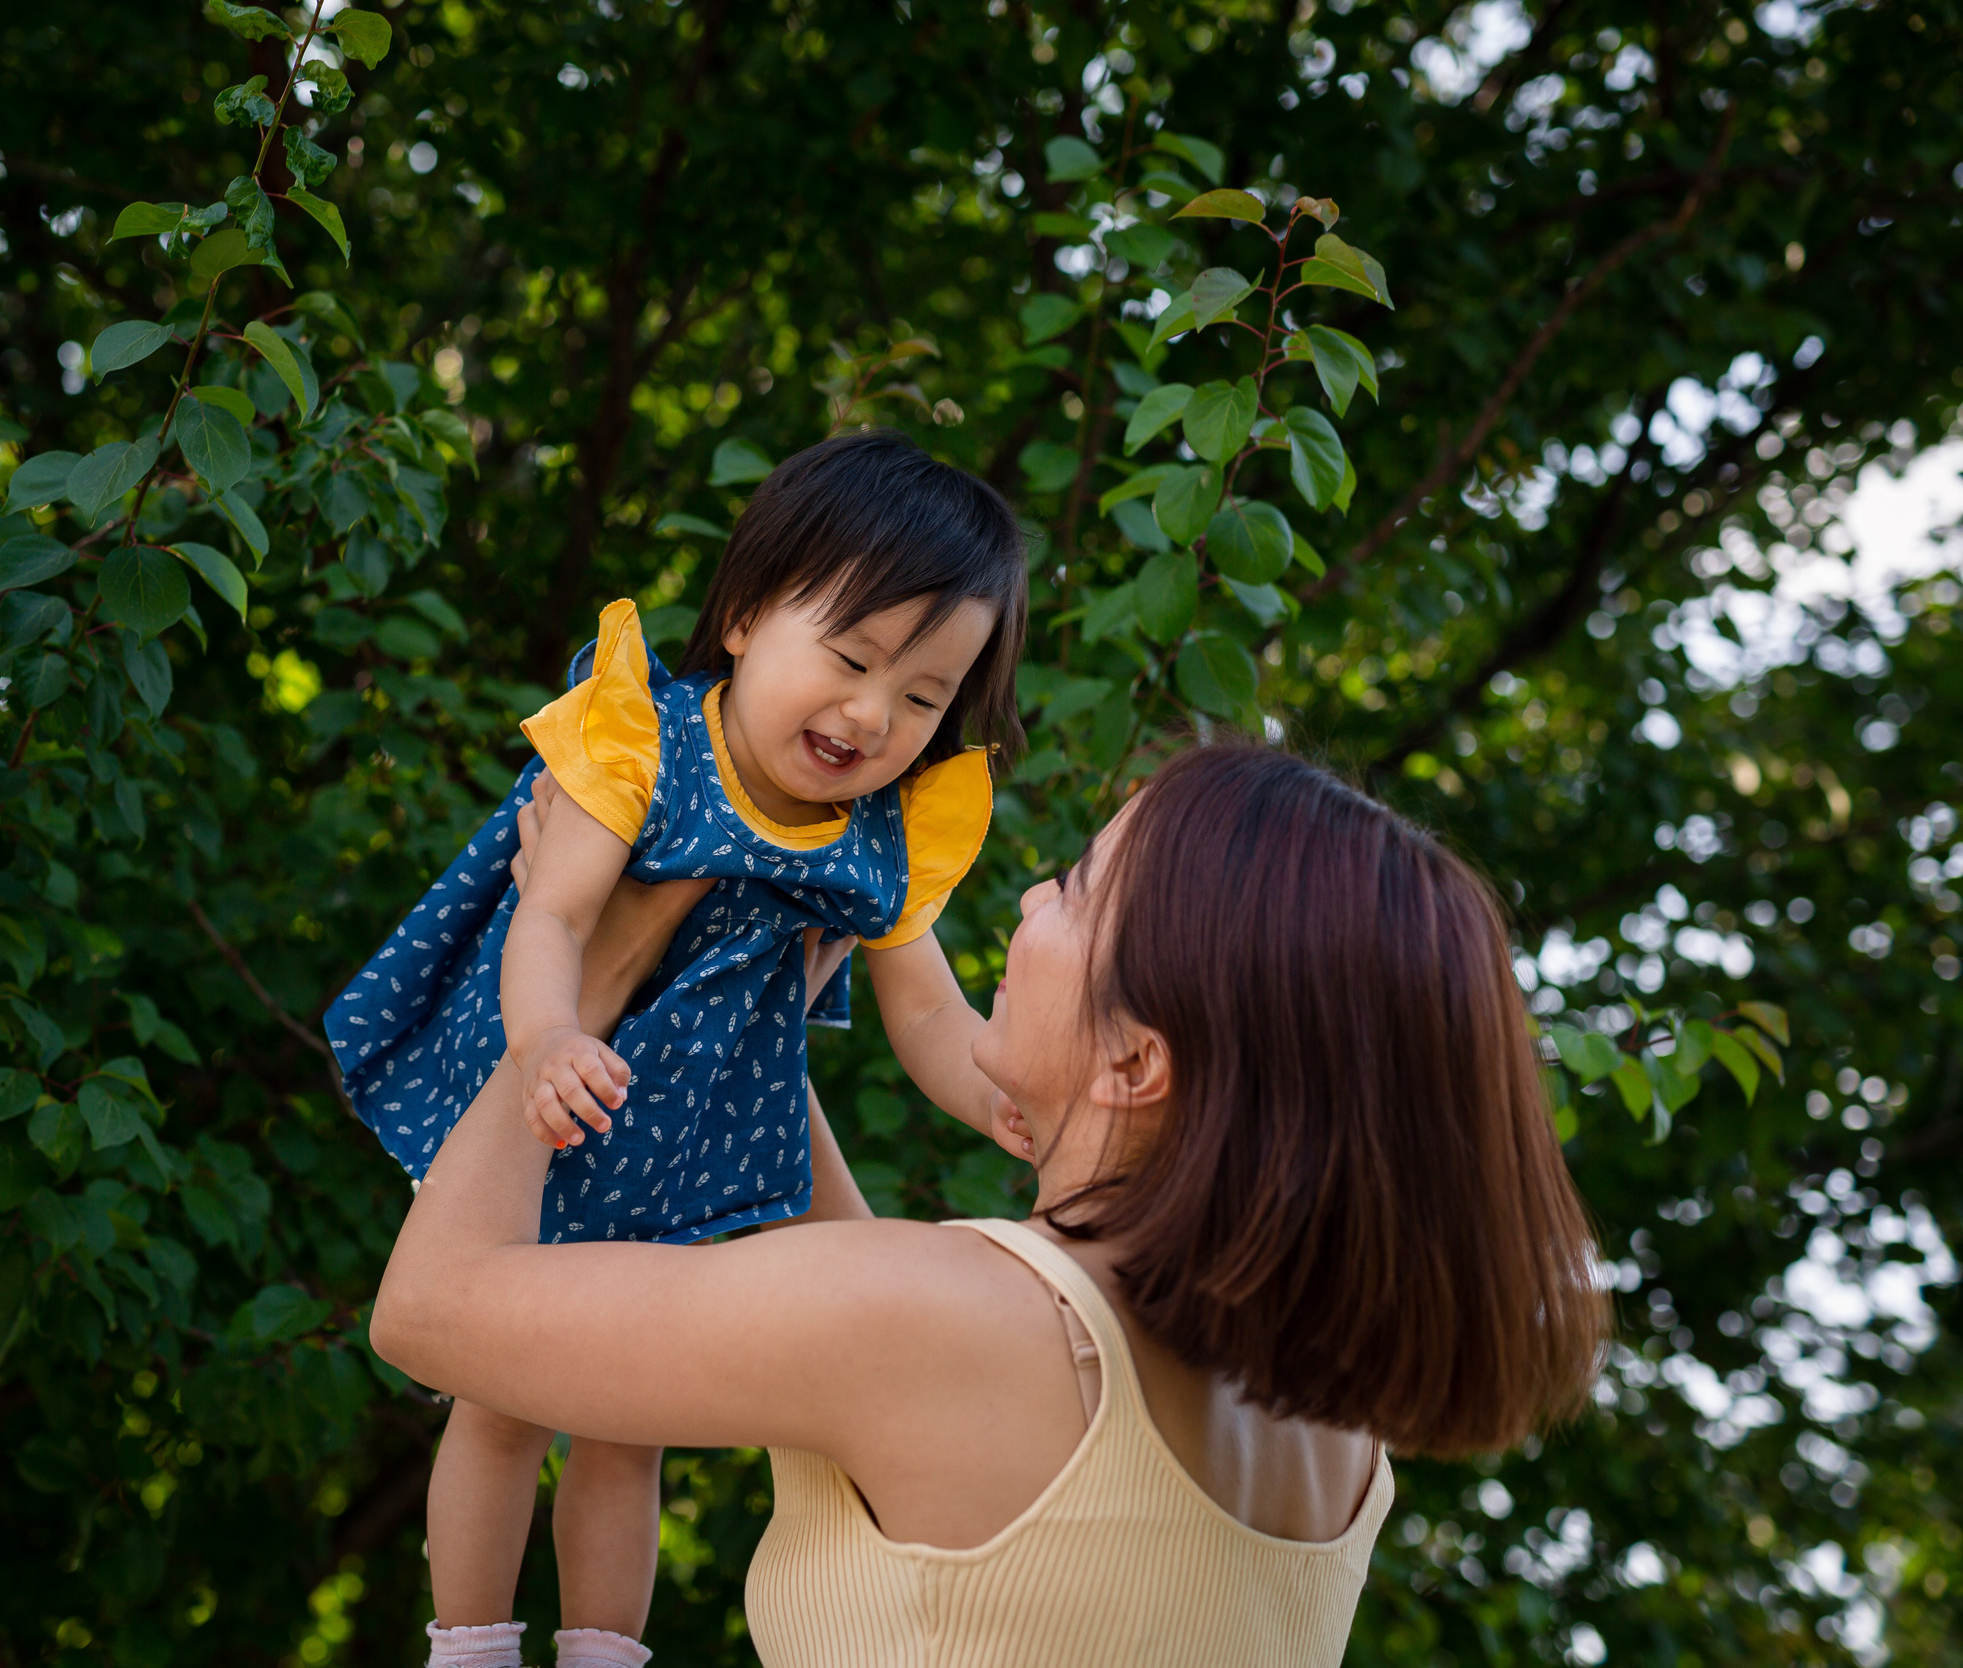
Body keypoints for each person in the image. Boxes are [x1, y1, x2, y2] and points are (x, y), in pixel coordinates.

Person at [373, 743, 1609, 1667]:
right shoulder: (1332, 1442)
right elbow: (856, 1303)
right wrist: (738, 986)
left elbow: (430, 1310)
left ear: (1137, 1062)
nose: (1026, 902)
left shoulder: (958, 1328)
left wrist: (600, 957)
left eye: (1074, 888)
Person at [324, 430, 1033, 1668]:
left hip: (698, 1150)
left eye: (923, 696)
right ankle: (472, 1648)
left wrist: (1023, 1104)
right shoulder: (652, 745)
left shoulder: (877, 834)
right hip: (564, 1110)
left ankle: (604, 1652)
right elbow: (551, 912)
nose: (872, 715)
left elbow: (930, 1018)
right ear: (753, 612)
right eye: (852, 657)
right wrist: (546, 1040)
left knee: (625, 1428)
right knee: (497, 1401)